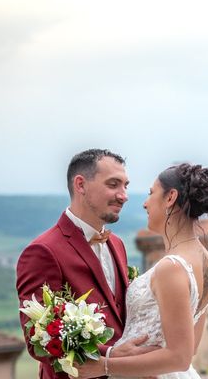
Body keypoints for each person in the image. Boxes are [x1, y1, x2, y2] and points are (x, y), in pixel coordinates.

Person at [75, 163, 208, 379]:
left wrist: (104, 366)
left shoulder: (171, 268)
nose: (145, 204)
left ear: (170, 198)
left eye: (151, 193)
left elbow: (180, 357)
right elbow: (190, 346)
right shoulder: (204, 260)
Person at [16, 149, 155, 379]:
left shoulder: (117, 244)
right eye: (113, 184)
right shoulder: (43, 252)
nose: (124, 195)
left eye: (125, 186)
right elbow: (36, 339)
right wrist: (110, 354)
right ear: (80, 185)